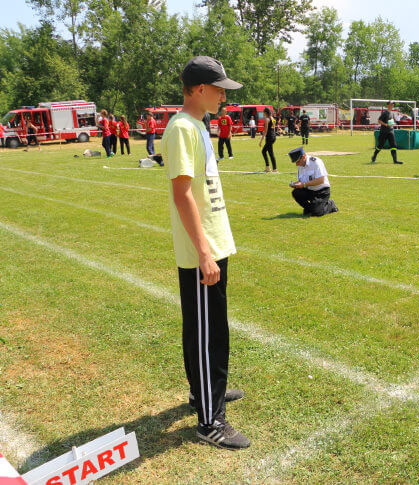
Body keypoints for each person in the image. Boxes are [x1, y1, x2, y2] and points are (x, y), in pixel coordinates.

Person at [160, 55, 249, 450]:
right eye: (218, 90)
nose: (222, 97)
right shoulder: (181, 128)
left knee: (211, 328)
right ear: (199, 89)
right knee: (206, 334)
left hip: (213, 244)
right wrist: (204, 253)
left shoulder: (198, 125)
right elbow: (182, 196)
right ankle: (209, 421)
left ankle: (206, 392)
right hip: (203, 252)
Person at [288, 147, 338, 216]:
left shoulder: (316, 162)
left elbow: (321, 180)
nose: (296, 164)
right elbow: (302, 180)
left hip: (321, 191)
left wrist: (303, 184)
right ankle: (309, 208)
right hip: (310, 190)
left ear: (303, 157)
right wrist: (296, 184)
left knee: (317, 213)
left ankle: (330, 204)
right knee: (296, 192)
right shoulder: (301, 165)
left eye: (297, 161)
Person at [259, 107, 277, 172]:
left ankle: (269, 168)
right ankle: (272, 168)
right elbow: (274, 129)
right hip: (273, 136)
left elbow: (265, 131)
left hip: (269, 137)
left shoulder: (267, 119)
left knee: (264, 151)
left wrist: (261, 141)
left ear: (265, 112)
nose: (262, 113)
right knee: (270, 153)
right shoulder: (272, 118)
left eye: (263, 112)